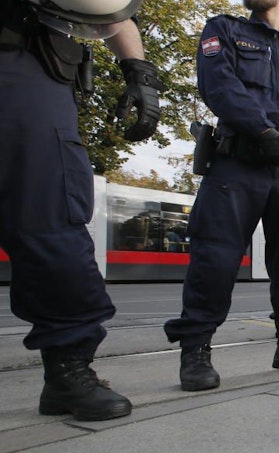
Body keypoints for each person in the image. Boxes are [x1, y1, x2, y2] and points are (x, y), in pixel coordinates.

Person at [0, 0, 162, 420]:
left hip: (24, 61)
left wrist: (139, 72)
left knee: (51, 220)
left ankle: (67, 368)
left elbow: (114, 9)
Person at [163, 0, 279, 392]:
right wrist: (263, 131)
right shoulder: (224, 29)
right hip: (235, 164)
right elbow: (218, 84)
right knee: (215, 257)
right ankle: (196, 350)